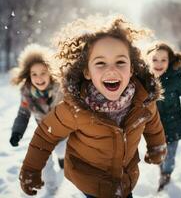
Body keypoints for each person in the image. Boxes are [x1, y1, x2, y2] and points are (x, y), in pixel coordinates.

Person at [19, 15, 167, 198]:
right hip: (91, 181)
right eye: (100, 63)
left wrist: (157, 146)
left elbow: (153, 125)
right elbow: (45, 135)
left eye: (120, 62)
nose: (111, 70)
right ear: (87, 72)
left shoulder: (143, 100)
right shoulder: (75, 109)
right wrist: (31, 169)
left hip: (126, 178)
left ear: (132, 69)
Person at [9, 43, 66, 195]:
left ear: (50, 73)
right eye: (34, 74)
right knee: (45, 162)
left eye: (43, 73)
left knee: (63, 152)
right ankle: (52, 189)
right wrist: (17, 132)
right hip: (45, 134)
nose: (39, 78)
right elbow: (23, 114)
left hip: (64, 134)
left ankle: (62, 159)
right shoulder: (27, 93)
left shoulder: (61, 89)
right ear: (29, 75)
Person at [146, 41, 181, 191]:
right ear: (148, 60)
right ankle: (161, 166)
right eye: (155, 59)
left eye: (164, 59)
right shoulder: (144, 80)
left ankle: (166, 173)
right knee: (157, 152)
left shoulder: (175, 79)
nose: (159, 63)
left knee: (169, 155)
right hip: (153, 128)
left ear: (169, 61)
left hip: (173, 125)